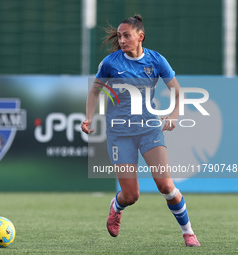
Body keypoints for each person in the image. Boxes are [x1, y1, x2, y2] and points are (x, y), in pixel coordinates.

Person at [81, 14, 201, 247]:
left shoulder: (156, 60)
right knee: (131, 196)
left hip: (149, 130)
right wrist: (88, 118)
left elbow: (176, 90)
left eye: (127, 35)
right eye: (119, 36)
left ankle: (188, 233)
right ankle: (117, 207)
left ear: (140, 36)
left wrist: (174, 114)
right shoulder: (110, 63)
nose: (122, 40)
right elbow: (95, 92)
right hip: (120, 134)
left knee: (166, 185)